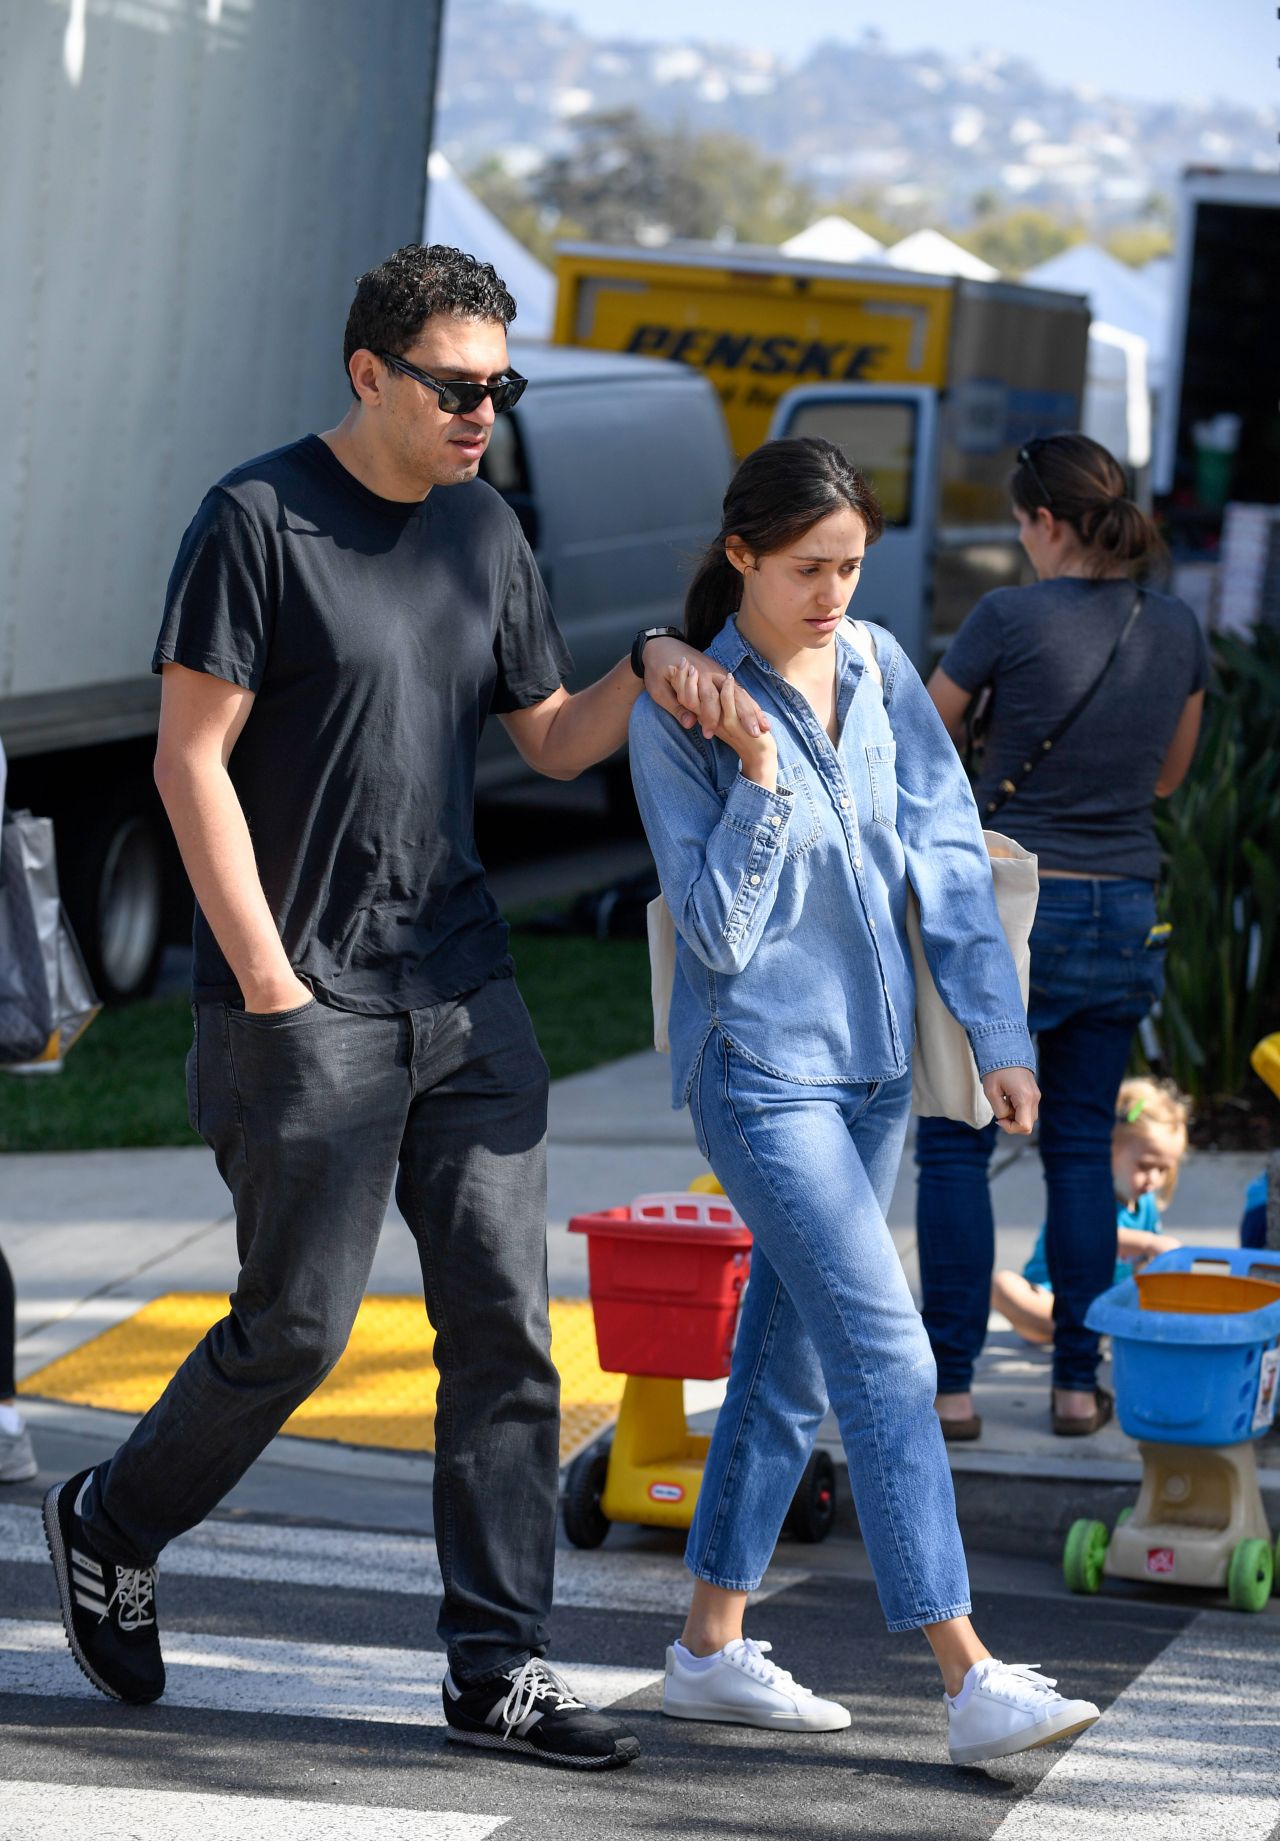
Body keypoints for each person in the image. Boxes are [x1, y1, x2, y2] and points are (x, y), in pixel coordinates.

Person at [41, 243, 768, 1772]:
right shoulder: (255, 520)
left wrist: (648, 662)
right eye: (456, 385)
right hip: (306, 997)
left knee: (505, 1327)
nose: (482, 413)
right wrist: (261, 976)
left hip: (465, 984)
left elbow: (553, 739)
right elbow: (190, 760)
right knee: (292, 1330)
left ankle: (496, 1665)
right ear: (371, 372)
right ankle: (112, 1516)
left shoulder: (486, 529)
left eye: (498, 387)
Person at [628, 436, 1100, 1765]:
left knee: (782, 1362)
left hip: (879, 1075)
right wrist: (764, 786)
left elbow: (946, 853)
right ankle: (968, 1680)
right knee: (886, 1352)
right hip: (761, 1077)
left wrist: (998, 1035)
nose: (834, 594)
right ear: (741, 559)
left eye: (851, 566)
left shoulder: (884, 665)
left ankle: (708, 1649)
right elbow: (713, 940)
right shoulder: (684, 716)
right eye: (806, 570)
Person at [916, 433, 1208, 1440]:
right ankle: (1074, 1384)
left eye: (1018, 525)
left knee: (955, 1140)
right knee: (1080, 1147)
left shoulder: (1006, 615)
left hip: (1011, 909)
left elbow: (918, 734)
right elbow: (1167, 775)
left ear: (1041, 522)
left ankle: (951, 1387)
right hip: (1121, 904)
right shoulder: (1172, 623)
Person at [992, 1076, 1188, 1346]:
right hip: (1051, 1299)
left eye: (1163, 1170)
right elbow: (1095, 1236)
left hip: (1106, 1302)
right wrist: (1150, 1243)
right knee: (1004, 1286)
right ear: (1110, 1149)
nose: (1153, 1179)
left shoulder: (1146, 1204)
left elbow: (1144, 1263)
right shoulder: (1088, 1197)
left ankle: (1109, 1325)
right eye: (1144, 1166)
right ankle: (1084, 1327)